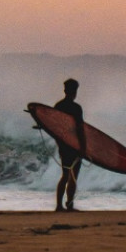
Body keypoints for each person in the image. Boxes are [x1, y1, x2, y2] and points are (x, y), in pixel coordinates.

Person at [53, 78, 86, 212]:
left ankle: (59, 205)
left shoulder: (58, 106)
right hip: (74, 145)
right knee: (73, 176)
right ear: (75, 91)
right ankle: (69, 205)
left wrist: (60, 144)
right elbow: (80, 129)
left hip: (63, 145)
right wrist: (83, 147)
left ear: (65, 90)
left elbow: (54, 127)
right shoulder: (76, 108)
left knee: (65, 175)